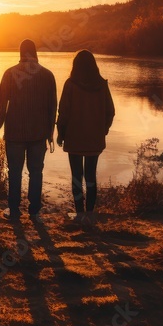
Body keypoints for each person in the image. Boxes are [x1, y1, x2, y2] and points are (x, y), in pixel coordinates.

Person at [0, 39, 57, 221]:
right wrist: (50, 134)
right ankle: (34, 211)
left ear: (20, 52)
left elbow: (1, 105)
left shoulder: (9, 74)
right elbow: (52, 107)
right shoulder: (47, 75)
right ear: (35, 52)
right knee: (36, 171)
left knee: (14, 171)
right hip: (38, 134)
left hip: (15, 132)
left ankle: (14, 210)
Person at [56, 50, 115, 224]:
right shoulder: (102, 85)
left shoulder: (71, 84)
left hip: (74, 138)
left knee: (76, 176)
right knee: (91, 176)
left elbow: (63, 112)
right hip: (94, 140)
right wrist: (102, 130)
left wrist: (61, 134)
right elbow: (110, 112)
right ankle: (90, 213)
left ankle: (79, 213)